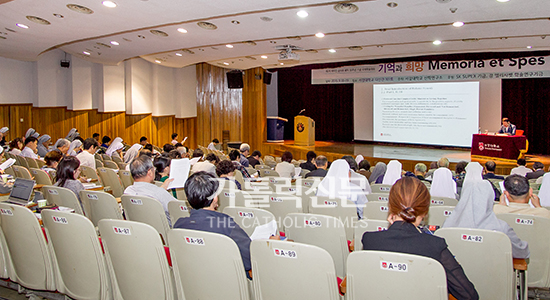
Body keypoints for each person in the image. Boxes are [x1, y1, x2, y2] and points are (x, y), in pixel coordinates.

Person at [362, 176, 479, 300]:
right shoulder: (435, 246)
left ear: (391, 207)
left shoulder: (370, 240)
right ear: (425, 212)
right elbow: (469, 295)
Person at [173, 172, 252, 277]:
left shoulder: (179, 225)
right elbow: (250, 258)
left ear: (187, 199)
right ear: (215, 198)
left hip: (193, 282)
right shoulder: (226, 225)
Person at [443, 179, 529, 259]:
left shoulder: (447, 225)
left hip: (454, 274)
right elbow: (522, 253)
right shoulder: (501, 228)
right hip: (493, 274)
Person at [124, 155, 176, 226]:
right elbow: (177, 209)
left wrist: (162, 188)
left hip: (140, 230)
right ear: (150, 172)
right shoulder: (159, 193)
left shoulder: (128, 191)